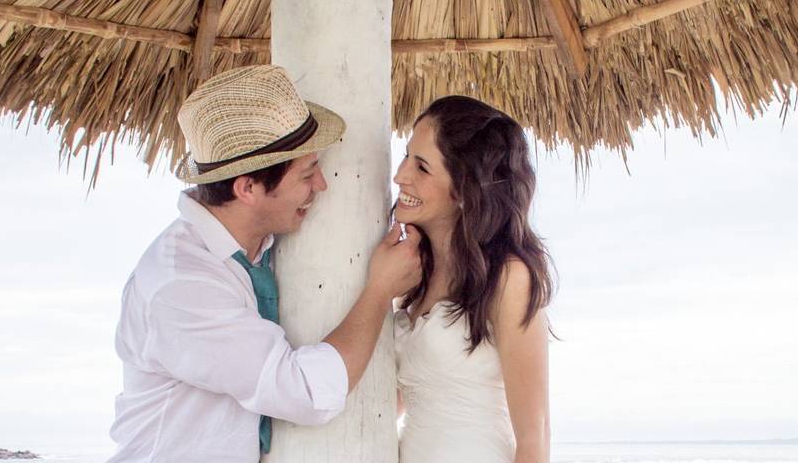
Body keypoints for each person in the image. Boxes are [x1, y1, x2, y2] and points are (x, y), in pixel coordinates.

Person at [108, 65, 421, 462]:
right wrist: (379, 290)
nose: (322, 185)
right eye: (307, 173)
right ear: (248, 188)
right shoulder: (181, 285)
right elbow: (304, 392)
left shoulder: (259, 249)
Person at [393, 95, 556, 463]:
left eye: (421, 166)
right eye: (406, 156)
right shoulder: (412, 275)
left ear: (464, 188)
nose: (400, 175)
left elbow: (536, 438)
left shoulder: (509, 277)